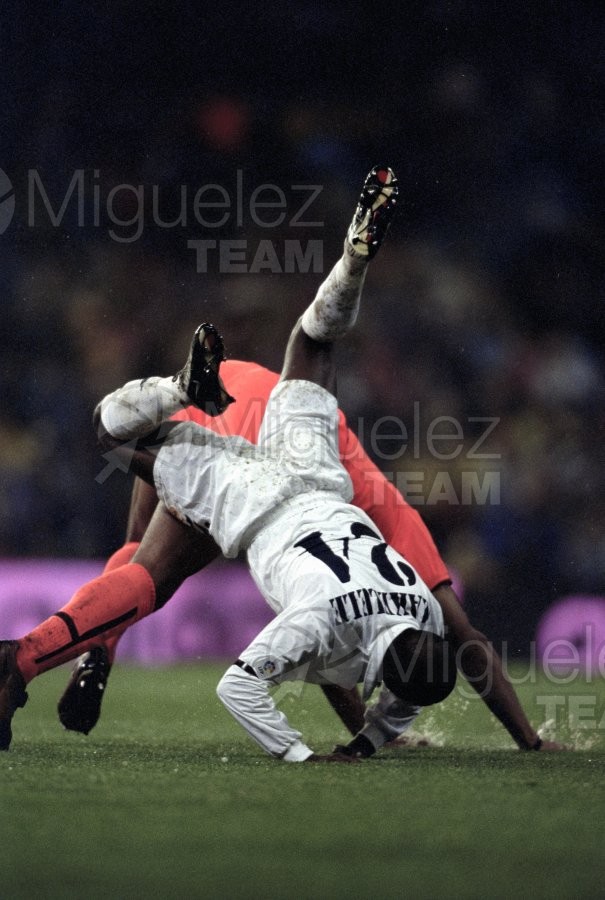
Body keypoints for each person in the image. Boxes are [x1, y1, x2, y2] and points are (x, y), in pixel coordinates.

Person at [1, 166, 459, 759]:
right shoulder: (391, 617)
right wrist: (318, 754)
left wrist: (361, 745)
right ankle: (28, 657)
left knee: (311, 344)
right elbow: (268, 678)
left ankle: (351, 263)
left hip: (307, 474)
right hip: (255, 490)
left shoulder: (414, 614)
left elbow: (137, 542)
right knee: (122, 472)